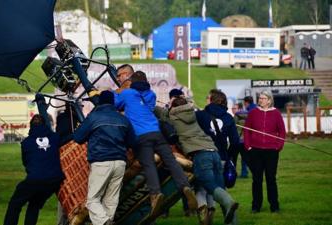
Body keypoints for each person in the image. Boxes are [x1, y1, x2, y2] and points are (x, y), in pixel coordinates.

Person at [114, 71, 198, 218]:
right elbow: (147, 107)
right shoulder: (151, 94)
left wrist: (117, 91)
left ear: (132, 82)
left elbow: (115, 103)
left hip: (140, 135)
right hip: (156, 132)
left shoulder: (128, 94)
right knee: (171, 161)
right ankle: (185, 186)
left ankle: (155, 194)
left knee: (149, 165)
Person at [155, 96, 239, 225]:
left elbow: (159, 112)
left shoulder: (173, 118)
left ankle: (229, 202)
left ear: (174, 107)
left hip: (200, 154)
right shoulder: (194, 114)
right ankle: (233, 221)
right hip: (214, 152)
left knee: (209, 186)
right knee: (220, 188)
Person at [73, 91, 135, 225]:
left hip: (101, 161)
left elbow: (77, 138)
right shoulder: (123, 119)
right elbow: (132, 142)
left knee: (93, 200)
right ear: (113, 102)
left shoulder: (94, 117)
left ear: (100, 102)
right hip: (120, 162)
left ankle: (105, 222)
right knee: (111, 200)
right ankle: (107, 221)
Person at [3, 96, 65, 225]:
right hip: (54, 181)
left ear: (31, 126)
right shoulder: (54, 138)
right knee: (34, 205)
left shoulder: (26, 143)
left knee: (15, 204)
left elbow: (26, 163)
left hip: (35, 178)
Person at [244, 91, 286, 213]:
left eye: (263, 98)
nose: (260, 100)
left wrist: (279, 146)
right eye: (260, 98)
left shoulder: (276, 113)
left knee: (271, 178)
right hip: (255, 150)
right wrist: (248, 146)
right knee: (256, 179)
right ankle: (256, 206)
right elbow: (247, 130)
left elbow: (282, 132)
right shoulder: (253, 113)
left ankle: (274, 206)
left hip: (271, 151)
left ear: (269, 100)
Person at [231, 103, 249, 178]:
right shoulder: (248, 115)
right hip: (245, 140)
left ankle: (234, 173)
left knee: (233, 158)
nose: (233, 110)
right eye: (232, 108)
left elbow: (233, 128)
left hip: (237, 140)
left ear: (239, 108)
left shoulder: (236, 116)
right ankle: (244, 173)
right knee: (244, 158)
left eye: (234, 108)